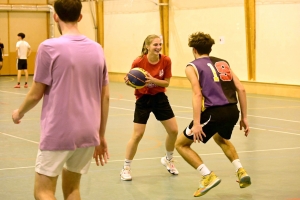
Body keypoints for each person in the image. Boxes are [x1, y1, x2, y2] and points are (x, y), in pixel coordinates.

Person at [12, 0, 110, 199]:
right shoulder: (97, 49)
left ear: (55, 16)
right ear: (80, 17)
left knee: (43, 191)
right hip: (88, 132)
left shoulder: (49, 47)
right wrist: (100, 135)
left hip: (59, 131)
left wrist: (18, 112)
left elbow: (36, 92)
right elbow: (105, 96)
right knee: (73, 189)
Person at [175, 31, 251, 197]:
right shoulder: (223, 63)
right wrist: (244, 118)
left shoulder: (191, 66)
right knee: (220, 137)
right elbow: (241, 88)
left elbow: (197, 94)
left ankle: (207, 175)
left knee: (180, 144)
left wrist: (196, 123)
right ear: (209, 48)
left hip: (213, 112)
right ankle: (241, 171)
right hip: (232, 110)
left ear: (194, 49)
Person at [120, 34, 179, 181]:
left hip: (159, 98)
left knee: (173, 131)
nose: (158, 47)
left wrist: (153, 80)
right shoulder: (139, 61)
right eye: (155, 45)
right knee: (137, 135)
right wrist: (129, 81)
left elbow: (166, 83)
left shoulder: (166, 60)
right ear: (147, 46)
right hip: (143, 99)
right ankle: (126, 168)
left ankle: (168, 159)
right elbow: (131, 79)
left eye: (160, 44)